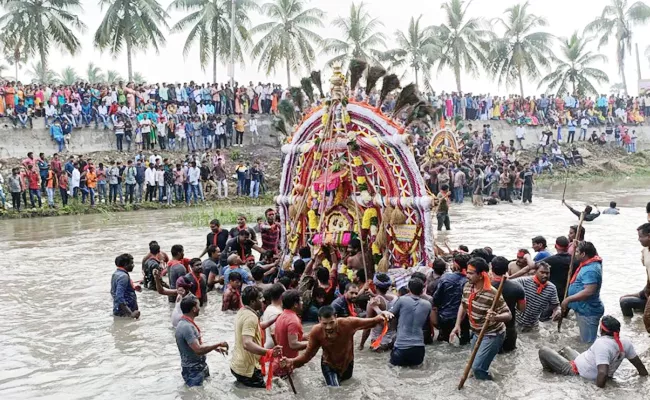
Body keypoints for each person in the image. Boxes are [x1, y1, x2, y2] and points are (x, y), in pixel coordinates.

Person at [283, 305, 393, 386]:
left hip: (348, 362)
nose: (328, 327)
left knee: (347, 386)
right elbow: (308, 355)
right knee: (335, 391)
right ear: (319, 320)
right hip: (329, 365)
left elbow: (372, 321)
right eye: (324, 324)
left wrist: (383, 315)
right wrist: (292, 362)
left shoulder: (348, 323)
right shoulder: (316, 332)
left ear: (336, 317)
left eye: (331, 322)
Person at [538, 315, 648, 388]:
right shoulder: (626, 343)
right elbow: (640, 367)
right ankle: (555, 367)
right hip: (583, 361)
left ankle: (549, 374)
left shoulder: (602, 345)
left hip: (577, 372)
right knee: (566, 349)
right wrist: (645, 382)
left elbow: (602, 373)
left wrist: (597, 393)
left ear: (601, 330)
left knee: (543, 351)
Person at [450, 257, 511, 380]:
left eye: (471, 273)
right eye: (467, 272)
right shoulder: (467, 286)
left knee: (478, 368)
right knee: (473, 367)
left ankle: (494, 384)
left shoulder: (492, 292)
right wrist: (457, 325)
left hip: (492, 334)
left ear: (481, 275)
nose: (467, 276)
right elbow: (463, 305)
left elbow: (508, 315)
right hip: (476, 332)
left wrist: (496, 317)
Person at [230, 286, 282, 388]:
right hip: (248, 370)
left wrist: (274, 319)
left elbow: (257, 326)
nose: (262, 301)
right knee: (266, 393)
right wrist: (269, 352)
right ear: (253, 301)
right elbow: (247, 343)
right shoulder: (251, 317)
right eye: (260, 298)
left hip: (236, 365)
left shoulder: (242, 311)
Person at [175, 295, 229, 386]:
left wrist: (215, 349)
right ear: (194, 309)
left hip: (198, 367)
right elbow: (198, 350)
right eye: (198, 306)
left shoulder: (185, 323)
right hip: (193, 371)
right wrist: (218, 344)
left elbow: (194, 345)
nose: (200, 308)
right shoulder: (186, 327)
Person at [562, 241, 604, 343]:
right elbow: (595, 254)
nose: (574, 254)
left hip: (588, 311)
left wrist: (568, 299)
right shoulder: (593, 261)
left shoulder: (590, 270)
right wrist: (580, 243)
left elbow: (589, 292)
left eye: (576, 252)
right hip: (584, 309)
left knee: (588, 342)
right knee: (586, 337)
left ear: (583, 254)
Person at [389, 277, 433, 367]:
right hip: (419, 349)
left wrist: (376, 308)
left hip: (401, 347)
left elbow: (389, 315)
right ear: (422, 290)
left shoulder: (402, 300)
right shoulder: (428, 305)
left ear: (408, 289)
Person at [619, 223, 650, 333]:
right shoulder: (645, 251)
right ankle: (629, 328)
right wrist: (643, 292)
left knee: (647, 318)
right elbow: (648, 274)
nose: (638, 239)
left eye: (641, 236)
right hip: (648, 291)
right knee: (624, 300)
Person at [433, 253, 471, 344]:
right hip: (463, 318)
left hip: (445, 317)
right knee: (463, 343)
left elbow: (436, 299)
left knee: (445, 342)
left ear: (456, 264)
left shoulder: (445, 278)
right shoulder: (469, 281)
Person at [490, 256, 525, 353]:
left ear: (492, 268)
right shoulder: (517, 287)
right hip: (509, 328)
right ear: (507, 269)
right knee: (509, 355)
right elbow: (521, 308)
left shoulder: (486, 287)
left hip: (490, 330)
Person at [512, 262, 561, 330]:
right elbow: (508, 285)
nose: (545, 275)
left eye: (547, 273)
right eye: (542, 272)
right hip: (516, 321)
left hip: (533, 324)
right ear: (535, 272)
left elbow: (555, 305)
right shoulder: (523, 281)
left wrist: (557, 311)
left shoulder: (551, 288)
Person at [272, 290, 308, 377]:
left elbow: (285, 337)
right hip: (284, 367)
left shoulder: (282, 316)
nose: (302, 303)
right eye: (301, 301)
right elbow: (293, 344)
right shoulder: (293, 320)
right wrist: (312, 343)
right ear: (295, 304)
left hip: (278, 363)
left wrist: (306, 337)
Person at [359, 273, 396, 351]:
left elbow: (367, 326)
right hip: (394, 340)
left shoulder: (372, 303)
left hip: (379, 343)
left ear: (375, 286)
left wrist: (361, 345)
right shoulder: (395, 298)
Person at [111, 253, 140, 319]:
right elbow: (119, 297)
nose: (133, 265)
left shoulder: (116, 274)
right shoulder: (124, 277)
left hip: (118, 310)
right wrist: (130, 314)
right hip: (126, 312)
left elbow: (113, 292)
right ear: (125, 264)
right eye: (131, 263)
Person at [261, 283, 285, 348]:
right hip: (272, 349)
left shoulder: (269, 308)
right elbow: (274, 333)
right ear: (282, 295)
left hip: (267, 347)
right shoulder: (276, 312)